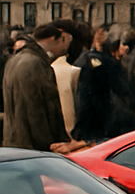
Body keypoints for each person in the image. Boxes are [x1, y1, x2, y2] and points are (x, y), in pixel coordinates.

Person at [2, 21, 82, 152]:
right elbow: (39, 108)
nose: (67, 46)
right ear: (57, 37)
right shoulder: (35, 63)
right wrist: (51, 144)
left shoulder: (14, 60)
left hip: (14, 142)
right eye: (66, 41)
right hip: (33, 147)